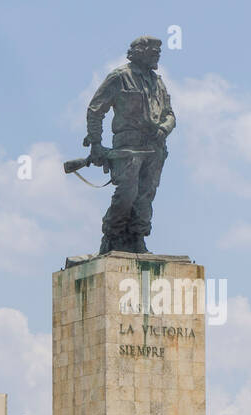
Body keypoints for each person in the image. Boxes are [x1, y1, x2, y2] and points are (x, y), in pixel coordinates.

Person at [84, 35, 175, 254]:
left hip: (155, 148)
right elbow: (95, 110)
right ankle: (112, 237)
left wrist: (164, 128)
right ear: (139, 52)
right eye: (153, 51)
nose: (157, 55)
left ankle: (137, 238)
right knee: (126, 193)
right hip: (128, 147)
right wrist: (96, 144)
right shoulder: (120, 77)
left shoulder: (157, 82)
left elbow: (170, 114)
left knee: (146, 195)